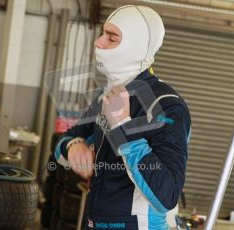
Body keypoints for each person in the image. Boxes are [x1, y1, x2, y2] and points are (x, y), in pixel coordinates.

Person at [54, 5, 191, 230]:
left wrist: (122, 128)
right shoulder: (106, 96)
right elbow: (64, 141)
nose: (98, 42)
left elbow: (166, 196)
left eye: (112, 37)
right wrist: (73, 147)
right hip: (94, 222)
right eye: (102, 34)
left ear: (136, 46)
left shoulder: (167, 106)